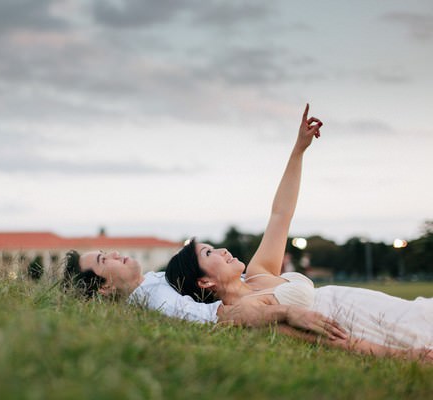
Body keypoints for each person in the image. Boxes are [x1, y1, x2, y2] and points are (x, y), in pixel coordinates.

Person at [165, 104, 433, 361]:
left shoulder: (259, 272)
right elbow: (332, 342)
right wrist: (403, 356)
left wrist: (298, 150)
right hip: (372, 325)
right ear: (204, 282)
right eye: (209, 252)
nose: (223, 250)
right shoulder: (246, 312)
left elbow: (281, 214)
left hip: (372, 304)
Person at [62, 248, 347, 339]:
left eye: (104, 251)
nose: (113, 253)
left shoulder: (152, 281)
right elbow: (218, 316)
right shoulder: (154, 299)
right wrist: (285, 311)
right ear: (105, 287)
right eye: (103, 261)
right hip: (316, 305)